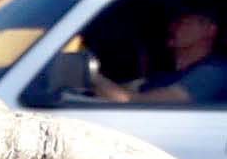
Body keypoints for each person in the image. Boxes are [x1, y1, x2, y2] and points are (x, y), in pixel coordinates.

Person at [93, 7, 227, 104]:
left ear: (210, 30)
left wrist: (90, 73)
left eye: (184, 22)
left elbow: (133, 102)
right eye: (174, 22)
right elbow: (122, 91)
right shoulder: (165, 75)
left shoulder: (214, 72)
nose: (173, 27)